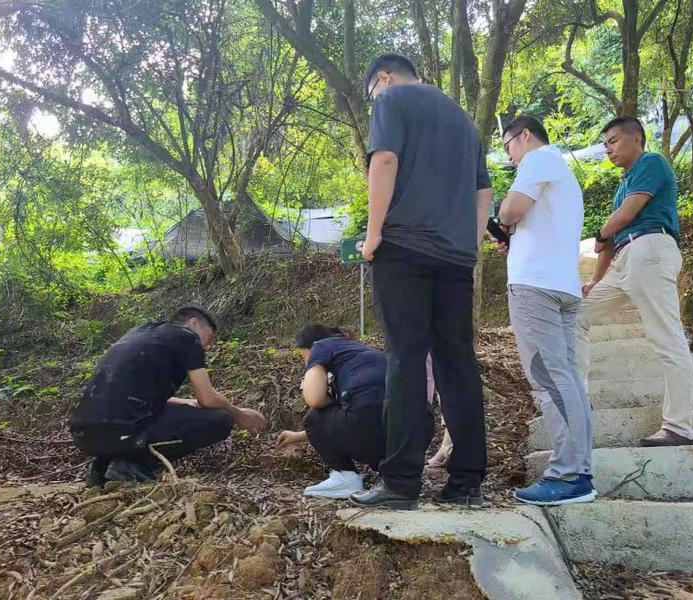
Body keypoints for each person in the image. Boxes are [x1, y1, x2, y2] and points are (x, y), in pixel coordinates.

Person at [351, 53, 492, 510]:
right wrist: (470, 249)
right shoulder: (463, 120)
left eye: (372, 91)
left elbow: (385, 160)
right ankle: (467, 481)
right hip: (456, 257)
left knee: (406, 358)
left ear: (384, 78)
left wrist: (373, 234)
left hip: (405, 248)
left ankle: (400, 482)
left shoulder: (392, 99)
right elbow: (483, 192)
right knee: (457, 362)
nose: (374, 98)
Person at [577, 116, 693, 447]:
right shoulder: (623, 185)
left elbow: (625, 218)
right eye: (605, 144)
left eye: (613, 141)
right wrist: (595, 281)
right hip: (626, 258)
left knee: (667, 337)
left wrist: (601, 233)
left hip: (651, 249)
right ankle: (577, 398)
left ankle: (680, 427)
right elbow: (609, 241)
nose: (608, 148)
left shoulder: (651, 163)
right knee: (575, 313)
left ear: (637, 138)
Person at [497, 115, 595, 506]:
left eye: (508, 146)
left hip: (536, 286)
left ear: (524, 136)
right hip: (562, 284)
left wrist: (505, 219)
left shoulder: (538, 159)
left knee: (549, 379)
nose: (510, 157)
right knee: (567, 378)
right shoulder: (563, 172)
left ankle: (567, 475)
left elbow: (510, 211)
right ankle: (579, 471)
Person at [70, 305, 267, 486]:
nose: (207, 346)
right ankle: (133, 464)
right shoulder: (186, 337)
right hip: (123, 430)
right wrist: (239, 414)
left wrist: (190, 403)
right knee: (221, 419)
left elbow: (139, 396)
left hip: (84, 435)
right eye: (208, 338)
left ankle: (102, 465)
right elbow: (207, 398)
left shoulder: (141, 333)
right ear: (193, 324)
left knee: (146, 418)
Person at [275, 324, 386, 499]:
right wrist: (298, 436)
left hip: (369, 429)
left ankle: (345, 478)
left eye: (304, 357)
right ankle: (394, 476)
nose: (306, 363)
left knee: (314, 416)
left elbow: (314, 399)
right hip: (411, 440)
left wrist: (326, 397)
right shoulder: (361, 353)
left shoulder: (321, 346)